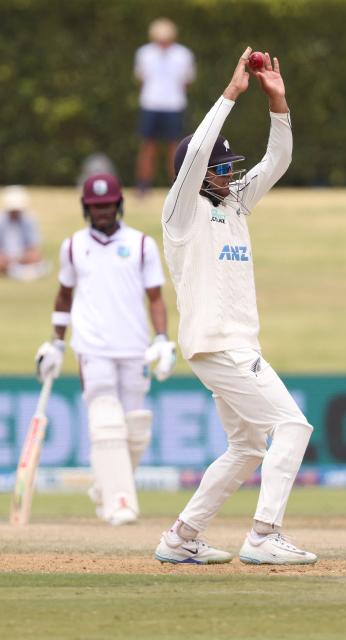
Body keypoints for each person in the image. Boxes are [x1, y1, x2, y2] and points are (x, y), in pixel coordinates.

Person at [155, 47, 317, 565]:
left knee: (247, 447)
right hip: (220, 343)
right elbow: (199, 148)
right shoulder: (180, 212)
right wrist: (231, 93)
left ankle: (180, 537)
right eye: (218, 168)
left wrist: (278, 104)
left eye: (229, 167)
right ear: (198, 173)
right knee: (293, 425)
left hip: (231, 344)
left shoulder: (236, 202)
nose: (227, 174)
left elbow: (279, 161)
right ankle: (264, 535)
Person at [35, 173, 176, 526]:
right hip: (92, 348)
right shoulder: (73, 246)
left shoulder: (142, 244)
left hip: (134, 347)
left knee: (135, 427)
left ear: (119, 204)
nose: (102, 211)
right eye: (96, 206)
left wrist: (161, 339)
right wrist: (56, 342)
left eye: (108, 204)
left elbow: (155, 298)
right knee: (105, 422)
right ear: (86, 207)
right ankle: (120, 501)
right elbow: (64, 297)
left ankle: (105, 486)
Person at [134, 18, 196, 195]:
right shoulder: (144, 53)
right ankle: (143, 185)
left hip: (174, 105)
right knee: (148, 145)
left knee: (175, 147)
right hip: (150, 103)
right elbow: (142, 78)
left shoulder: (183, 54)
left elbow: (186, 81)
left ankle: (176, 185)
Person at [0, 185, 49, 280]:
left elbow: (33, 247)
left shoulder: (29, 219)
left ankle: (12, 271)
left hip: (23, 257)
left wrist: (21, 258)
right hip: (4, 257)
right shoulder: (1, 220)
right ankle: (16, 271)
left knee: (36, 257)